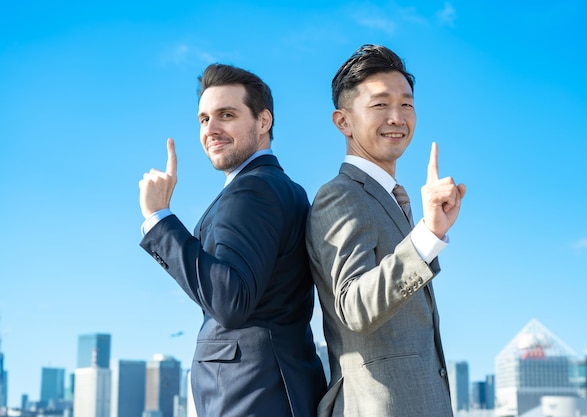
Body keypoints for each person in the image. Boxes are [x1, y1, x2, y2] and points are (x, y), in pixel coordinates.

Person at [138, 63, 326, 417]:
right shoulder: (285, 188)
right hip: (271, 391)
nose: (212, 129)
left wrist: (159, 218)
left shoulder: (252, 189)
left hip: (251, 396)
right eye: (204, 119)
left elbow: (230, 298)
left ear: (263, 121)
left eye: (226, 114)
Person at [306, 44, 467, 417]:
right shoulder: (340, 195)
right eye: (380, 105)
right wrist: (426, 235)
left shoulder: (392, 198)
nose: (397, 117)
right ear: (343, 122)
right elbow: (354, 306)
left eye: (406, 105)